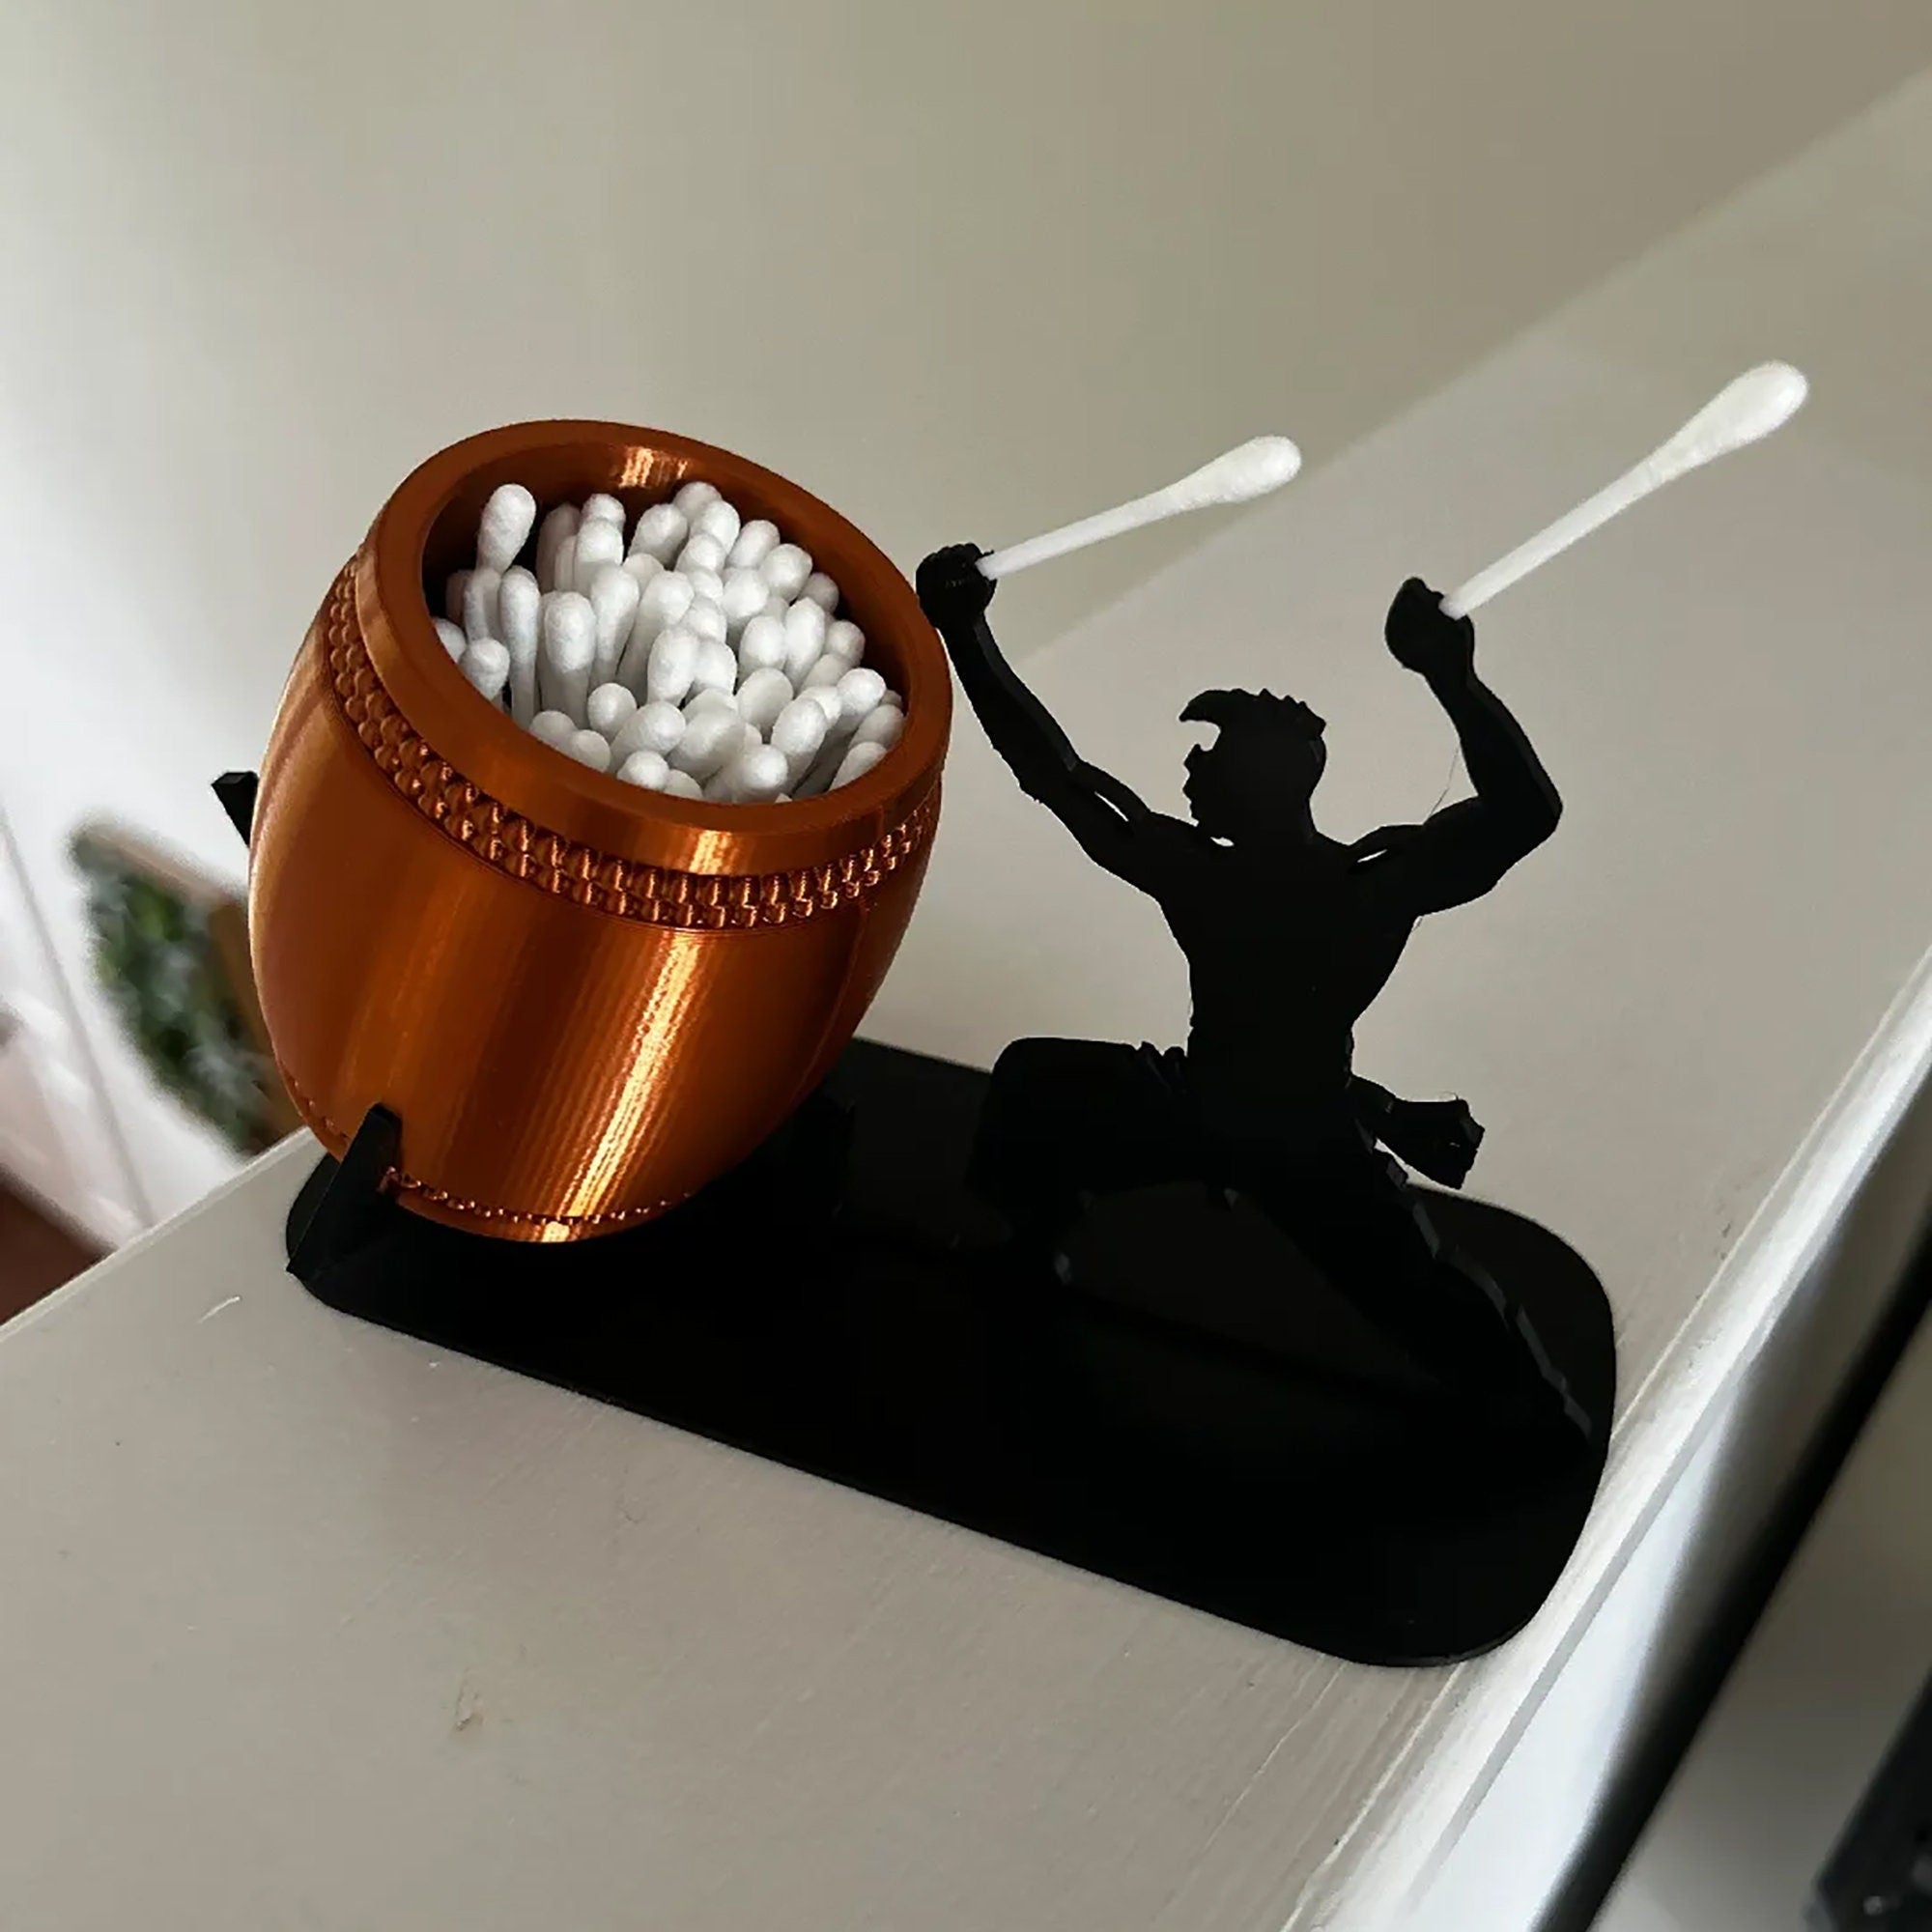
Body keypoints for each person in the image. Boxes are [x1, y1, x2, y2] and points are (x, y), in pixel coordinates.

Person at [917, 546, 1586, 1437]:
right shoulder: (1359, 880)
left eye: (1211, 762)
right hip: (1234, 1109)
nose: (1191, 776)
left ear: (1259, 784)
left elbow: (1063, 782)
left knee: (1420, 1286)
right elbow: (1062, 780)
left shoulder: (1272, 880)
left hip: (1292, 1133)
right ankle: (1033, 1246)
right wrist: (1448, 677)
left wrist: (968, 633)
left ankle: (1536, 1414)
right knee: (1035, 1082)